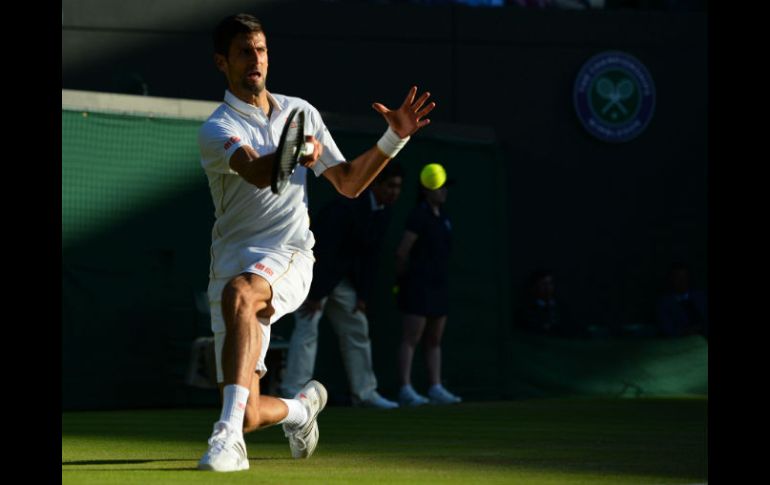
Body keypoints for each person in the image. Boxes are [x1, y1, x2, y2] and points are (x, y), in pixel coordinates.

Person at [197, 13, 435, 472]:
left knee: (241, 293)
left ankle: (224, 441)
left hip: (289, 254)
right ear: (221, 62)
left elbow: (347, 184)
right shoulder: (216, 127)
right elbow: (252, 169)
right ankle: (302, 409)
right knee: (247, 409)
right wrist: (291, 152)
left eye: (262, 50)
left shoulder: (300, 112)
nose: (256, 60)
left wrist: (394, 138)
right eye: (245, 52)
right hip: (232, 261)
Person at [281, 163, 404, 409]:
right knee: (307, 326)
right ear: (375, 185)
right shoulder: (344, 208)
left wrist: (363, 296)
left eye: (398, 187)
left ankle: (365, 392)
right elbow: (324, 252)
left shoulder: (383, 212)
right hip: (313, 271)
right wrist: (315, 294)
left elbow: (371, 257)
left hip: (341, 278)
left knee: (357, 326)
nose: (394, 192)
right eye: (390, 186)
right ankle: (294, 392)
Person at [395, 163, 461, 406]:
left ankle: (435, 386)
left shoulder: (444, 217)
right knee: (411, 337)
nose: (444, 191)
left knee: (434, 339)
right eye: (439, 187)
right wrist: (405, 280)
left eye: (445, 187)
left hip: (439, 285)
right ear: (426, 190)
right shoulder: (418, 215)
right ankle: (405, 388)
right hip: (418, 285)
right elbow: (402, 252)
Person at [656, 262, 708, 339]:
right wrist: (687, 332)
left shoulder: (701, 296)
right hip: (683, 342)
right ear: (671, 279)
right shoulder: (664, 304)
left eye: (685, 277)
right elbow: (666, 330)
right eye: (678, 278)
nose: (682, 281)